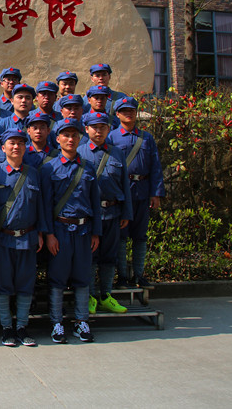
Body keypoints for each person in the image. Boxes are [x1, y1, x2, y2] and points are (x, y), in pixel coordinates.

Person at [41, 118, 102, 344]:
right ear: (57, 139)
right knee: (57, 278)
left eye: (74, 135)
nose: (70, 139)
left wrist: (96, 232)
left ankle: (81, 321)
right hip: (60, 229)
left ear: (80, 138)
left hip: (84, 230)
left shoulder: (88, 168)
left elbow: (95, 202)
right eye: (65, 135)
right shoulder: (49, 168)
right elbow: (45, 204)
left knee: (82, 277)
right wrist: (49, 234)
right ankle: (56, 322)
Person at [0, 128, 46, 347]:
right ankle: (6, 328)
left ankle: (22, 327)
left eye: (21, 143)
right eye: (11, 143)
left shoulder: (33, 173)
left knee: (25, 285)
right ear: (3, 147)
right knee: (3, 285)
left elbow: (40, 207)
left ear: (26, 147)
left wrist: (41, 233)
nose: (16, 147)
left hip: (28, 238)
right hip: (3, 239)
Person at [78, 112, 132, 315]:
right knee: (90, 256)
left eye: (103, 127)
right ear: (87, 129)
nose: (98, 131)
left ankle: (106, 295)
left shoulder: (117, 153)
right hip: (91, 214)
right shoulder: (80, 152)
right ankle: (90, 295)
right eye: (95, 127)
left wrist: (126, 212)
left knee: (109, 257)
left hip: (113, 213)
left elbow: (125, 185)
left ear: (108, 130)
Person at [108, 97, 165, 289]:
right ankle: (122, 276)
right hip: (123, 194)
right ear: (117, 114)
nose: (128, 114)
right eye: (124, 111)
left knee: (140, 236)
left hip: (142, 191)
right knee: (122, 237)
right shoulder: (112, 138)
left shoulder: (146, 138)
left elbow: (155, 166)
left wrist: (155, 193)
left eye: (131, 111)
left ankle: (139, 274)